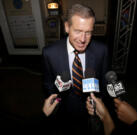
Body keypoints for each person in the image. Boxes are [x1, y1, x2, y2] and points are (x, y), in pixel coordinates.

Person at [42, 3, 109, 135]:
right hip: (63, 112)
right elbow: (48, 83)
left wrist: (99, 100)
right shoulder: (49, 53)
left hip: (91, 113)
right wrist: (57, 101)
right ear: (67, 27)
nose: (83, 39)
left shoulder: (102, 50)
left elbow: (104, 82)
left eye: (88, 32)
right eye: (78, 31)